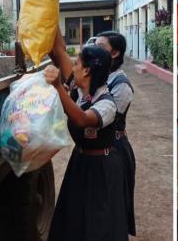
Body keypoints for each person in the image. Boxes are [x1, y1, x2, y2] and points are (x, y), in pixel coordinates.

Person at [46, 33, 128, 240]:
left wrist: (58, 88)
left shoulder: (107, 104)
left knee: (98, 223)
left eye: (76, 64)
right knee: (74, 218)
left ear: (86, 70)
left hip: (101, 168)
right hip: (81, 162)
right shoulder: (81, 94)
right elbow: (59, 53)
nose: (72, 69)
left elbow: (82, 119)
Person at [95, 31, 136, 236]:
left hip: (113, 150)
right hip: (97, 149)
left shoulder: (121, 84)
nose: (94, 48)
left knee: (110, 208)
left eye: (101, 46)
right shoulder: (95, 75)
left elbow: (104, 123)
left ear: (115, 53)